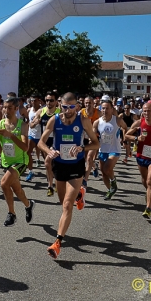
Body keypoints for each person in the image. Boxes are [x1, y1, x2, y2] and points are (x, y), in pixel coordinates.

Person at [38, 92, 99, 258]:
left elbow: (96, 143)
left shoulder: (83, 120)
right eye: (65, 107)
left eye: (71, 107)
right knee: (62, 202)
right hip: (59, 165)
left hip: (76, 165)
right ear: (60, 106)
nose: (68, 110)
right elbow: (41, 142)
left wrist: (82, 148)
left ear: (77, 107)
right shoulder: (55, 120)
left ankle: (57, 243)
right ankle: (80, 194)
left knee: (67, 205)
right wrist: (49, 151)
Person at [0, 97, 35, 227]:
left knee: (4, 183)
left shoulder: (23, 125)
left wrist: (11, 135)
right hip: (7, 162)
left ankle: (12, 214)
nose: (6, 110)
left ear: (16, 109)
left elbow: (25, 148)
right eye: (4, 107)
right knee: (17, 190)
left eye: (9, 108)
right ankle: (29, 204)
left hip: (20, 161)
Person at [92, 98, 128, 200]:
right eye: (103, 108)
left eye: (107, 108)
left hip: (114, 150)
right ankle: (110, 190)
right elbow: (93, 135)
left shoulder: (117, 120)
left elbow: (125, 128)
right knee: (103, 172)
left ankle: (113, 180)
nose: (104, 110)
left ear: (112, 109)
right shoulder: (97, 122)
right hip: (102, 149)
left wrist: (123, 138)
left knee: (107, 168)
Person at [38, 93, 61, 196]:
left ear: (56, 101)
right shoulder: (42, 111)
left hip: (56, 142)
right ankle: (54, 183)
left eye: (51, 100)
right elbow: (32, 122)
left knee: (47, 162)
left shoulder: (59, 113)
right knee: (49, 165)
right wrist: (33, 123)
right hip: (45, 142)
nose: (49, 102)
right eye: (47, 100)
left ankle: (50, 186)